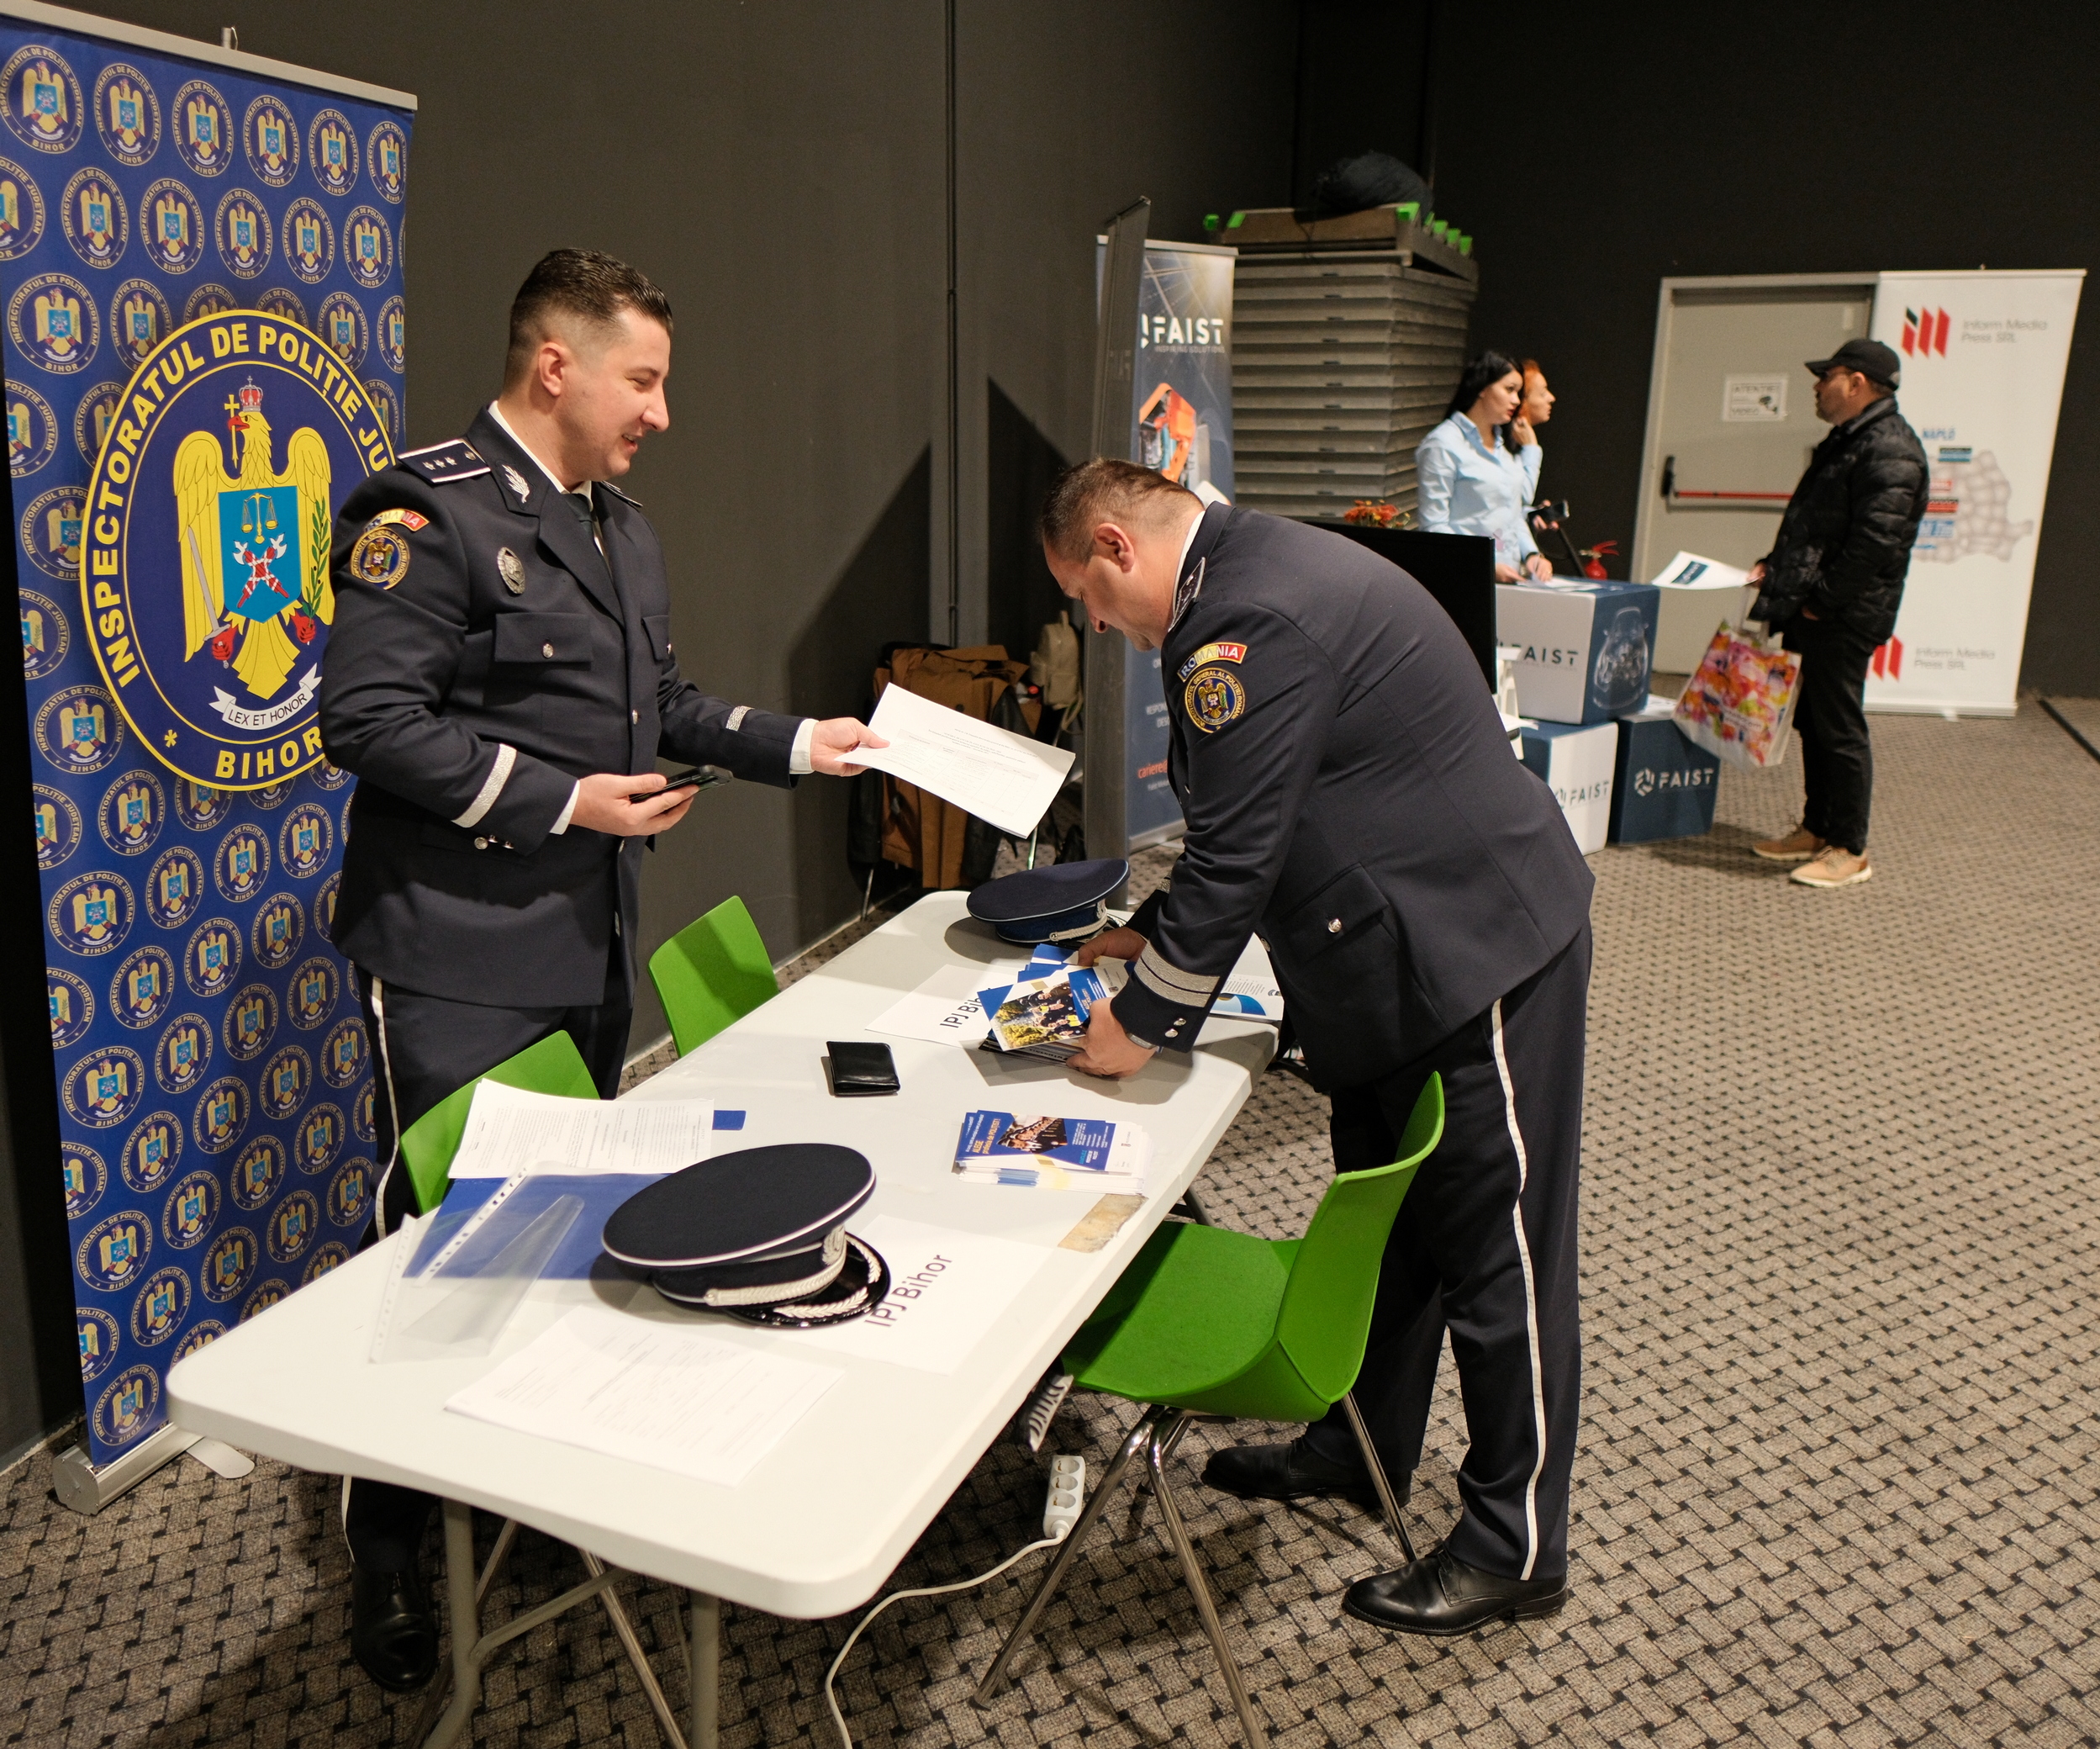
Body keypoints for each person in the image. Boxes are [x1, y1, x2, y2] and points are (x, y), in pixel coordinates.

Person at [318, 250, 882, 1692]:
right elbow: (367, 721)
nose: (663, 413)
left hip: (586, 949)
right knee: (440, 1248)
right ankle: (388, 1543)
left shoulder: (616, 526)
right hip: (457, 952)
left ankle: (524, 1483)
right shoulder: (420, 509)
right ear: (553, 365)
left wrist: (799, 744)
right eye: (645, 379)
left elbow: (662, 704)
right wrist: (562, 801)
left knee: (565, 1227)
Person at [1041, 457, 1594, 1635]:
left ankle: (1517, 1543)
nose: (1095, 626)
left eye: (1086, 600)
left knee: (1498, 1254)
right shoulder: (1245, 576)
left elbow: (1240, 852)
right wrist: (1143, 935)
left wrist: (1138, 1023)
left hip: (1472, 946)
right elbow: (1267, 810)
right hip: (1394, 951)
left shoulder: (1240, 621)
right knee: (1393, 1231)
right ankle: (1364, 1445)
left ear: (1112, 544)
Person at [1747, 337, 1927, 889]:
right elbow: (1817, 526)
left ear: (1857, 383)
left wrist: (1822, 602)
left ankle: (1850, 848)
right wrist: (1776, 567)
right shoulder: (1851, 439)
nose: (1817, 387)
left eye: (1828, 376)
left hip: (1843, 615)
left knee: (1839, 726)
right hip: (1818, 608)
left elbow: (1874, 545)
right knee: (1814, 722)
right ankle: (1819, 827)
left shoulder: (1890, 448)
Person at [1416, 349, 1551, 581]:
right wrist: (1483, 566)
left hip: (1506, 581)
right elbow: (1434, 527)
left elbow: (1513, 512)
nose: (1517, 401)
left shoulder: (1502, 444)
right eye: (1509, 390)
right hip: (1463, 581)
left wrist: (1530, 554)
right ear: (1482, 388)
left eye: (1518, 392)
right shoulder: (1444, 443)